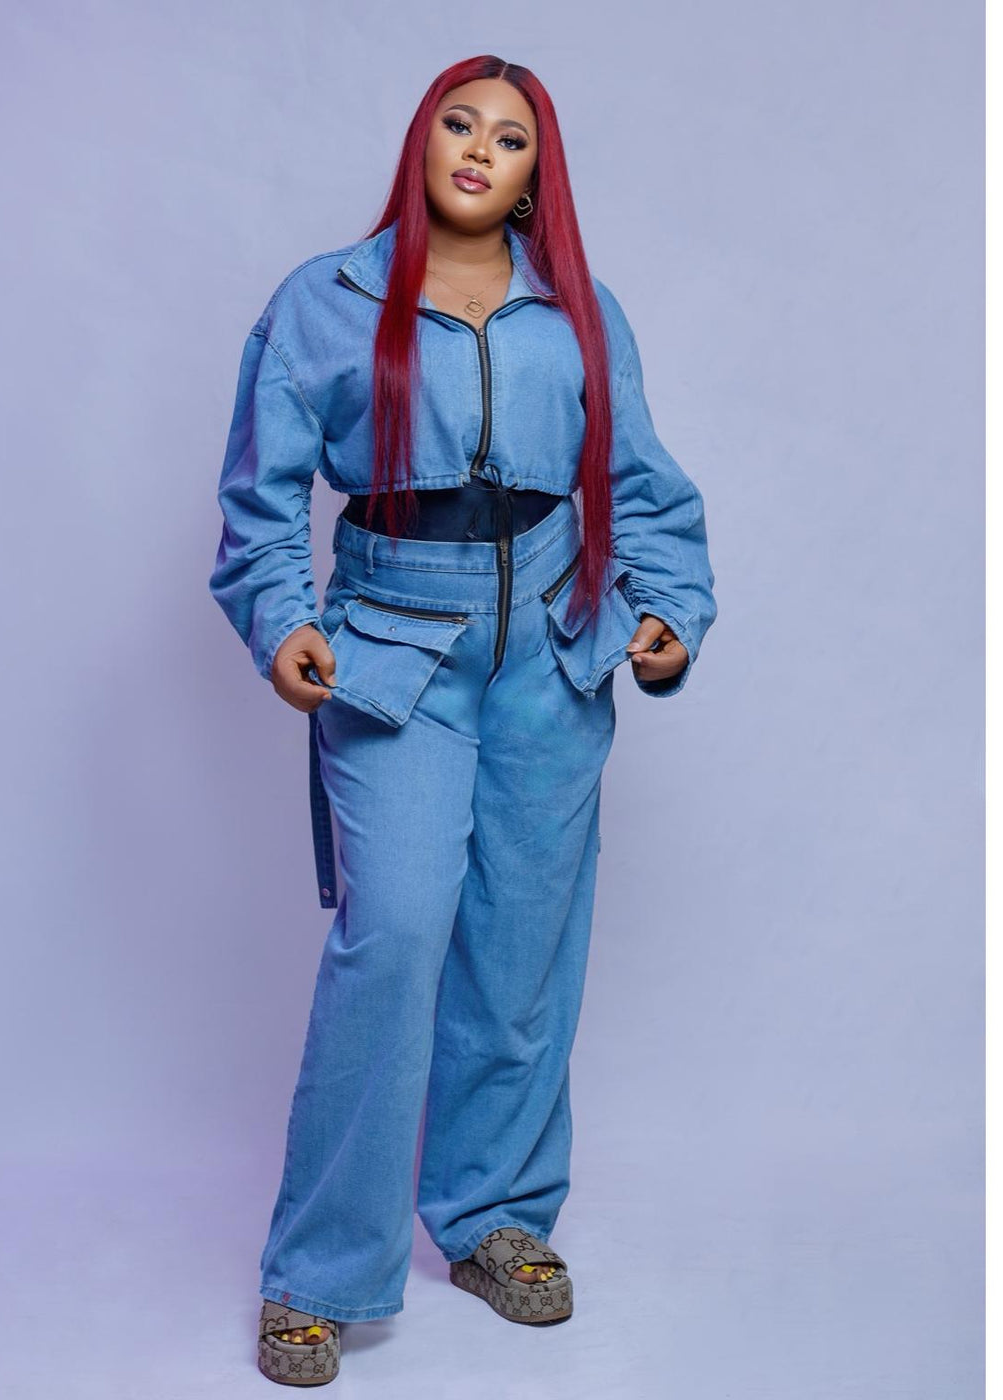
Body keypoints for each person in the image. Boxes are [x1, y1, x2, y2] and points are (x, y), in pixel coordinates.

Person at [208, 54, 718, 1387]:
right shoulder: (325, 303)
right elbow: (261, 499)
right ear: (422, 141)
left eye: (510, 136)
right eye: (458, 123)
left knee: (522, 949)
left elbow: (643, 488)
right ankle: (320, 1272)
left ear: (538, 173)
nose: (480, 149)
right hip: (394, 650)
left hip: (552, 648)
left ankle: (494, 1216)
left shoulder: (581, 314)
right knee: (394, 934)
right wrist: (281, 620)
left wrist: (669, 614)